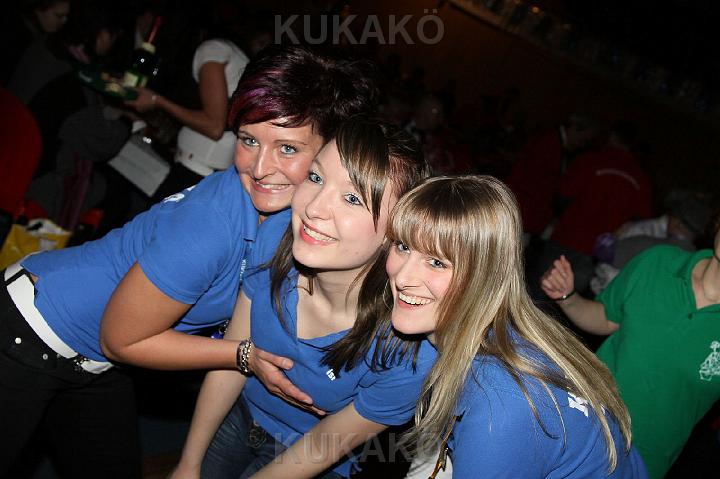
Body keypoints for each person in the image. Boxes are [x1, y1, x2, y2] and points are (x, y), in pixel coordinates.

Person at [0, 45, 378, 478]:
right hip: (28, 332)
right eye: (248, 140)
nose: (260, 168)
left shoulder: (291, 218)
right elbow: (121, 339)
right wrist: (244, 356)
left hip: (95, 361)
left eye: (287, 148)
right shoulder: (214, 223)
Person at [172, 119, 435, 479]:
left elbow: (325, 444)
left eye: (352, 198)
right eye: (315, 177)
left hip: (309, 456)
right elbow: (231, 359)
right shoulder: (276, 238)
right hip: (239, 412)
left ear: (397, 232)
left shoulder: (407, 349)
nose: (314, 208)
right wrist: (188, 464)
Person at [387, 176, 647, 477]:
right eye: (403, 246)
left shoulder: (500, 407)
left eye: (437, 262)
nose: (402, 277)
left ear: (485, 276)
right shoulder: (505, 327)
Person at [541, 215, 720, 478]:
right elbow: (606, 317)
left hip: (638, 460)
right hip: (580, 418)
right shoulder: (660, 262)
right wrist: (568, 297)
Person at [125, 19, 250, 201]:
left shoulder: (212, 50)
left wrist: (156, 101)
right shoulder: (234, 53)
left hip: (196, 171)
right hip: (205, 170)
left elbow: (214, 126)